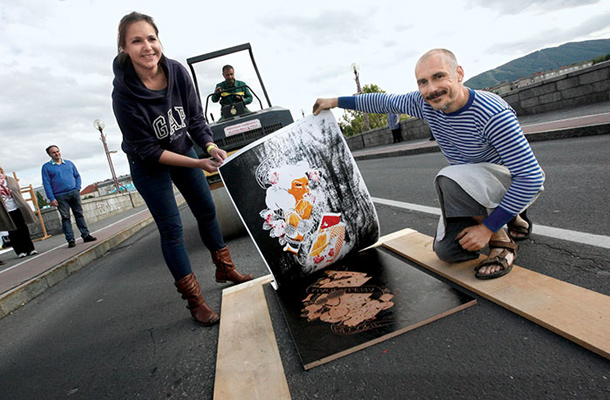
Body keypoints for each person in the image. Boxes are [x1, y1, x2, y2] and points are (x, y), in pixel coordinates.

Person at [313, 48, 545, 280]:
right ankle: (513, 215)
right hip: (473, 186)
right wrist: (335, 101)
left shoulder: (492, 114)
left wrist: (487, 229)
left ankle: (502, 242)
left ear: (459, 73)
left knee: (450, 178)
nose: (431, 89)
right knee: (448, 252)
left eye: (439, 76)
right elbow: (384, 101)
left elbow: (531, 177)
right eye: (422, 82)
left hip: (504, 180)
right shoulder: (424, 104)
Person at [111, 11, 253, 326]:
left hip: (183, 148)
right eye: (136, 41)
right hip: (149, 165)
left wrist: (211, 146)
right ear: (124, 49)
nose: (147, 47)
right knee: (172, 229)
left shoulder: (175, 71)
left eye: (151, 38)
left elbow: (195, 119)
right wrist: (197, 162)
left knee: (207, 210)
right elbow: (148, 150)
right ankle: (195, 301)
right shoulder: (123, 95)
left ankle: (225, 268)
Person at [41, 146, 97, 248]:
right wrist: (51, 198)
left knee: (79, 214)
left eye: (57, 151)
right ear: (50, 155)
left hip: (73, 192)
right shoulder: (46, 167)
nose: (57, 154)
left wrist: (77, 188)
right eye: (53, 153)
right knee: (65, 217)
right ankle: (71, 240)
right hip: (60, 196)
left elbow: (77, 176)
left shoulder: (69, 163)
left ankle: (86, 235)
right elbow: (46, 183)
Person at [0, 167, 37, 258]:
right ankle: (20, 251)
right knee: (12, 231)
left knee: (23, 228)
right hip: (6, 211)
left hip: (17, 207)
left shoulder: (9, 180)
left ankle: (30, 248)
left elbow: (18, 192)